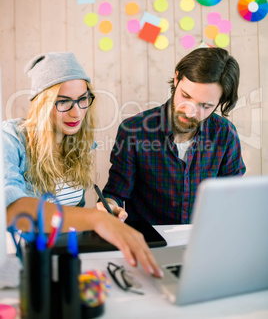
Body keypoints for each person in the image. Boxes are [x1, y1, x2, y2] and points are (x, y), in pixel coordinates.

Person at [3, 52, 162, 278]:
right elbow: (12, 209)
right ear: (42, 104)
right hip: (23, 263)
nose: (76, 112)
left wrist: (102, 211)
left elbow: (70, 214)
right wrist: (96, 220)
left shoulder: (80, 144)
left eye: (82, 99)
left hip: (66, 258)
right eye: (63, 102)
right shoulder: (10, 137)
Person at [98, 47, 246, 224]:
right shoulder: (134, 130)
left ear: (219, 102)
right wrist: (109, 207)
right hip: (148, 241)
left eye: (205, 106)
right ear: (177, 79)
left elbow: (233, 195)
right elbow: (115, 193)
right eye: (186, 96)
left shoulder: (225, 133)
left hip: (203, 237)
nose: (190, 112)